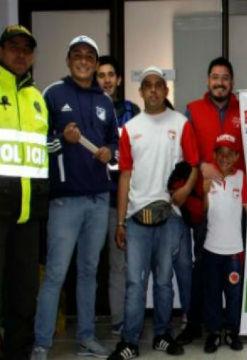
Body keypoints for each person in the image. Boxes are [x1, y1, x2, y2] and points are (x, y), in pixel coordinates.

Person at [32, 35, 118, 359]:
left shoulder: (105, 101)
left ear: (96, 64)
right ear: (69, 61)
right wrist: (60, 138)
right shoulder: (52, 94)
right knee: (55, 273)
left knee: (88, 272)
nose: (83, 60)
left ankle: (86, 337)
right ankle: (41, 343)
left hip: (98, 200)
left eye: (90, 56)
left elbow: (115, 146)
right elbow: (39, 142)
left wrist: (111, 151)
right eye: (77, 55)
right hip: (65, 201)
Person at [108, 66, 199, 360]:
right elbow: (124, 177)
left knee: (163, 280)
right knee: (135, 282)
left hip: (170, 216)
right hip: (136, 218)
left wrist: (185, 192)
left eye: (159, 85)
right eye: (147, 85)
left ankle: (162, 335)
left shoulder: (181, 123)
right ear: (141, 91)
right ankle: (129, 342)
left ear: (166, 90)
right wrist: (120, 221)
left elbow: (194, 165)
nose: (153, 90)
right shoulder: (131, 129)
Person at [176, 57, 243, 346]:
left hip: (237, 201)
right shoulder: (192, 110)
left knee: (235, 267)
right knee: (203, 264)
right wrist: (202, 167)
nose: (220, 82)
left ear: (232, 82)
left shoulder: (245, 106)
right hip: (206, 201)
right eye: (215, 77)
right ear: (208, 80)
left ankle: (233, 325)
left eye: (225, 77)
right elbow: (185, 153)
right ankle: (198, 322)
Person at [0, 24, 48, 360]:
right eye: (13, 47)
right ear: (2, 51)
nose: (21, 54)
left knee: (23, 293)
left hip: (28, 216)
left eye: (26, 49)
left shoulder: (37, 98)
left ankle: (18, 353)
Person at [95, 55, 141, 335]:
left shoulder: (132, 111)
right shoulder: (87, 108)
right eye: (101, 75)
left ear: (119, 79)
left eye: (111, 74)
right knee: (88, 265)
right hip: (93, 196)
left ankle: (120, 321)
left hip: (123, 200)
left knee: (120, 264)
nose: (107, 80)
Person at [201, 133, 246, 354]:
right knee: (212, 293)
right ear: (214, 155)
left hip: (235, 251)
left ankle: (231, 331)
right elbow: (202, 210)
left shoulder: (242, 178)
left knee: (234, 294)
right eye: (221, 153)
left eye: (230, 153)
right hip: (212, 248)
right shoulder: (207, 180)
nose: (225, 157)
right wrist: (204, 186)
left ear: (237, 156)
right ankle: (214, 332)